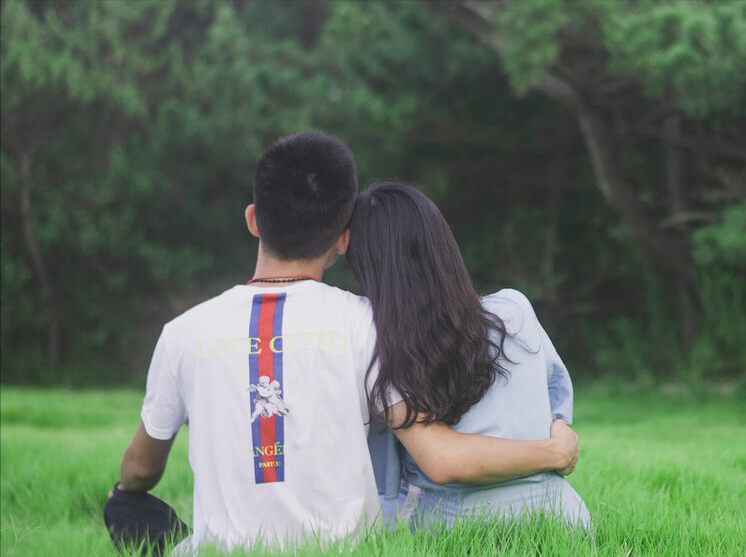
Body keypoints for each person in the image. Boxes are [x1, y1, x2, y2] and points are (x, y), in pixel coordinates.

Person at [106, 132, 581, 555]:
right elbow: (441, 457)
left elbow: (140, 470)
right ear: (342, 239)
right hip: (348, 547)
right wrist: (553, 451)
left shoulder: (182, 332)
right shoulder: (368, 324)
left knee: (125, 507)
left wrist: (128, 490)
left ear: (253, 220)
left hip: (220, 550)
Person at [347, 181, 592, 530]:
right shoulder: (514, 309)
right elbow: (557, 402)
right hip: (561, 518)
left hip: (454, 525)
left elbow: (441, 462)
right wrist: (556, 445)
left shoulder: (383, 343)